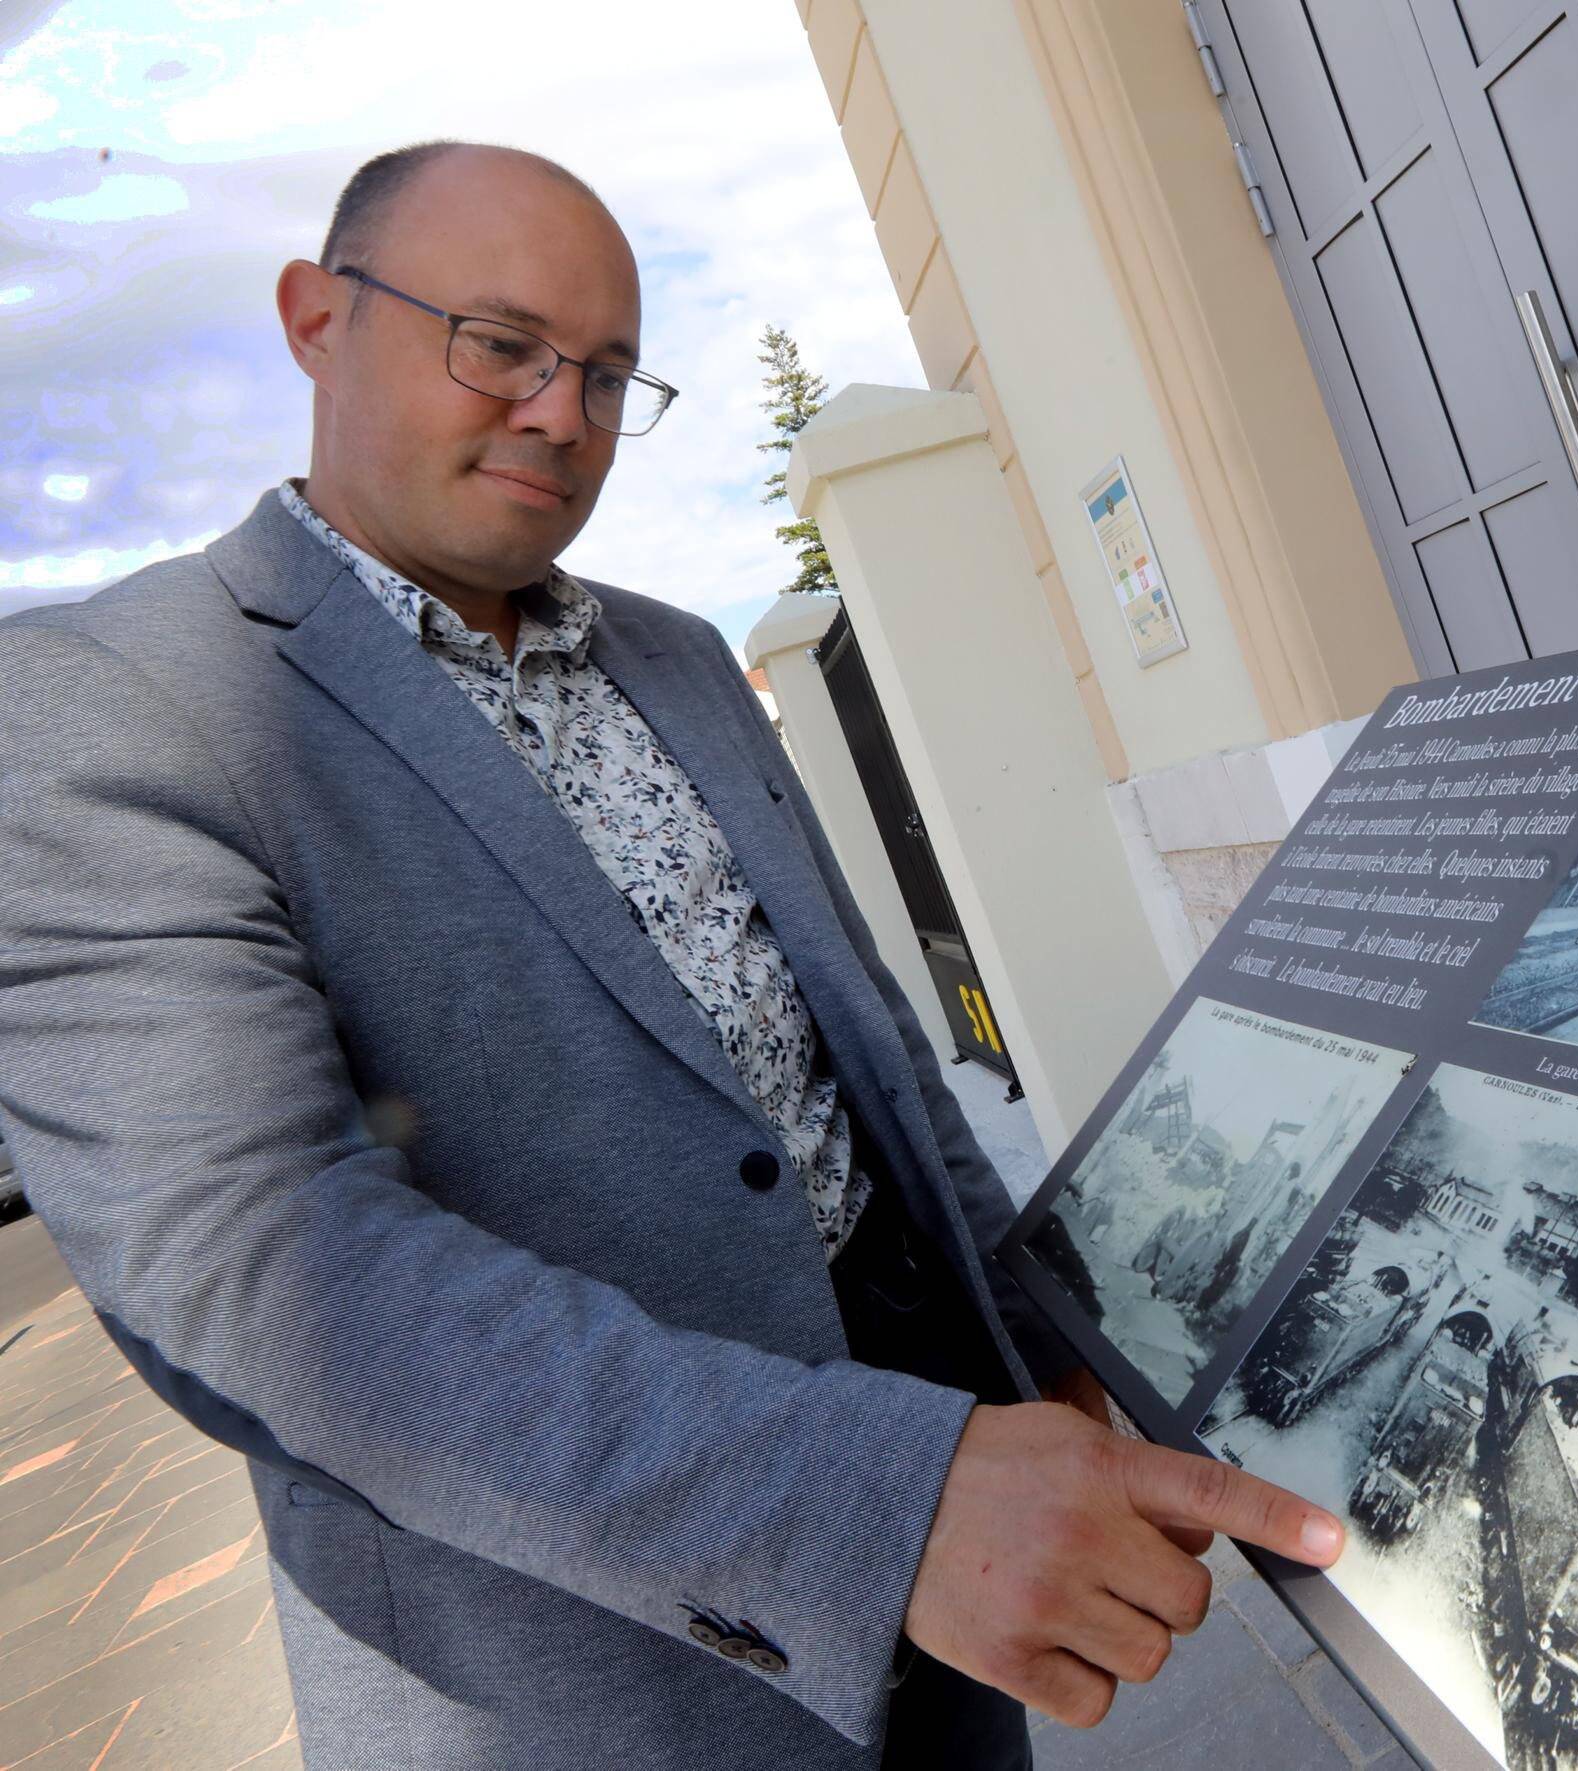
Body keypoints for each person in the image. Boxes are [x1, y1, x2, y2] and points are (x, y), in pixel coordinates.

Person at [0, 142, 1342, 1771]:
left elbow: (877, 1071)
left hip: (954, 1527)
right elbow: (264, 1263)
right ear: (315, 318)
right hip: (602, 1669)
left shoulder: (686, 658)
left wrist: (1044, 1350)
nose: (562, 413)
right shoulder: (101, 705)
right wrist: (871, 1501)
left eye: (611, 373)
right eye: (498, 344)